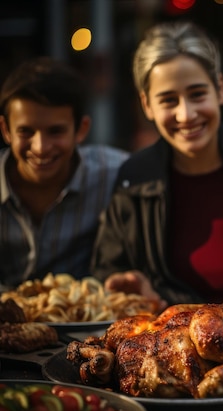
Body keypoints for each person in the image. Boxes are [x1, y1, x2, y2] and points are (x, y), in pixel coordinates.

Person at [90, 21, 223, 307]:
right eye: (168, 100)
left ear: (219, 89)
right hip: (168, 341)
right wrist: (129, 287)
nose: (186, 114)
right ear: (147, 105)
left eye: (197, 94)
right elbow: (107, 272)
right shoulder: (135, 177)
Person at [0, 57, 128, 289]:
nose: (40, 147)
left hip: (88, 321)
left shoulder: (116, 174)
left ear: (81, 130)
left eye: (55, 131)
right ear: (6, 130)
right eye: (26, 132)